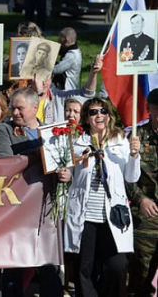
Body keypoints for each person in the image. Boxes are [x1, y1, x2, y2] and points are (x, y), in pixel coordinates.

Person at [0, 87, 63, 297]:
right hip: (17, 206)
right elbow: (7, 161)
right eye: (13, 108)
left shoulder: (52, 131)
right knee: (15, 263)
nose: (15, 113)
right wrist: (44, 153)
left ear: (35, 107)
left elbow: (63, 160)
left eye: (20, 108)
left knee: (48, 264)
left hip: (46, 204)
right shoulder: (4, 130)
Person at [66, 97, 140, 297]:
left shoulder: (120, 141)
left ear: (109, 115)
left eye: (103, 111)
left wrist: (134, 156)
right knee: (85, 269)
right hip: (86, 215)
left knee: (117, 266)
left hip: (113, 216)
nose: (99, 115)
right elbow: (70, 174)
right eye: (93, 112)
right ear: (86, 117)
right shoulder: (77, 142)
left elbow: (131, 177)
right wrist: (65, 174)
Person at [127, 89, 158, 297]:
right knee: (140, 277)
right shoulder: (136, 138)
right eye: (157, 109)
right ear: (149, 109)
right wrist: (141, 199)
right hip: (147, 216)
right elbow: (125, 176)